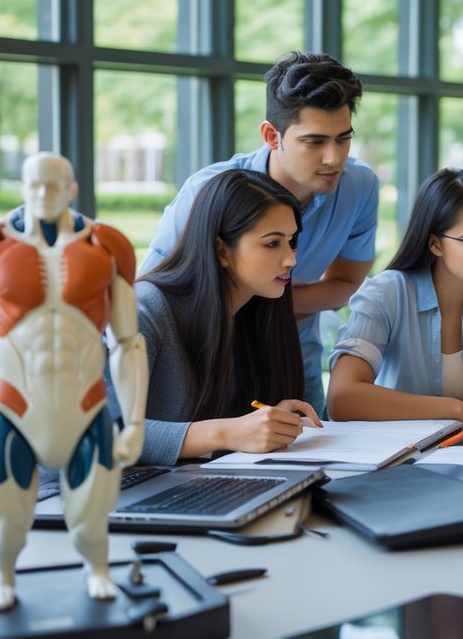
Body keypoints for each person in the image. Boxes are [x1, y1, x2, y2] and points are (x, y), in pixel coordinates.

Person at [142, 51, 378, 417]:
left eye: (343, 139)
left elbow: (346, 283)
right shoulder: (208, 194)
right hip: (205, 361)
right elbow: (160, 294)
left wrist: (266, 300)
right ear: (272, 135)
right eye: (314, 142)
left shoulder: (359, 186)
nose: (334, 158)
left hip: (289, 356)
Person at [0, 152, 146, 611]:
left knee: (90, 522)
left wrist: (136, 423)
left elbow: (127, 342)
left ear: (72, 189)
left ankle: (97, 571)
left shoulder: (105, 244)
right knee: (7, 521)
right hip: (14, 403)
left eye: (52, 186)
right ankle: (3, 578)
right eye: (34, 186)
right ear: (23, 186)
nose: (43, 195)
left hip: (85, 403)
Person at [112, 169, 320, 465]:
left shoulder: (255, 314)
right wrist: (227, 433)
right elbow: (96, 432)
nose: (291, 259)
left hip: (187, 490)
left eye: (291, 241)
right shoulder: (144, 308)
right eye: (273, 243)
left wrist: (265, 425)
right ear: (222, 250)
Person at [327, 169, 463, 424]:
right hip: (401, 456)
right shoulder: (388, 293)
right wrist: (457, 410)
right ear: (435, 245)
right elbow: (342, 398)